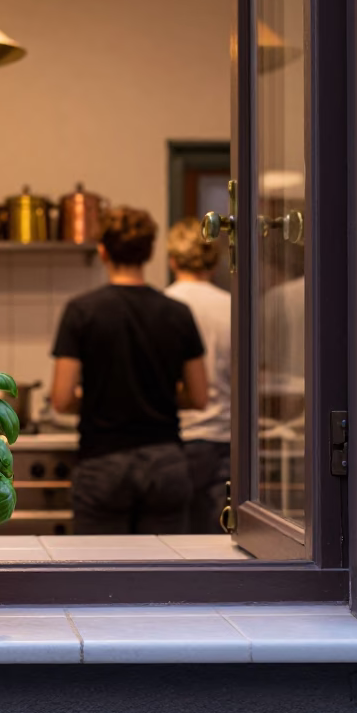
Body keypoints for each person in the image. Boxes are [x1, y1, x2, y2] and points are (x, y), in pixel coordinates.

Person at [50, 206, 207, 535]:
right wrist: (155, 395)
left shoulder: (81, 311)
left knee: (97, 575)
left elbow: (61, 399)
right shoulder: (178, 314)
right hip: (165, 461)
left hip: (103, 463)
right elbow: (199, 396)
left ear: (103, 250)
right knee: (163, 575)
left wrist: (100, 398)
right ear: (150, 253)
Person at [164, 219, 232, 534]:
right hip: (225, 439)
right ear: (215, 261)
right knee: (218, 542)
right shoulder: (234, 307)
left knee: (175, 545)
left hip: (178, 436)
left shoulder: (162, 305)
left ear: (172, 260)